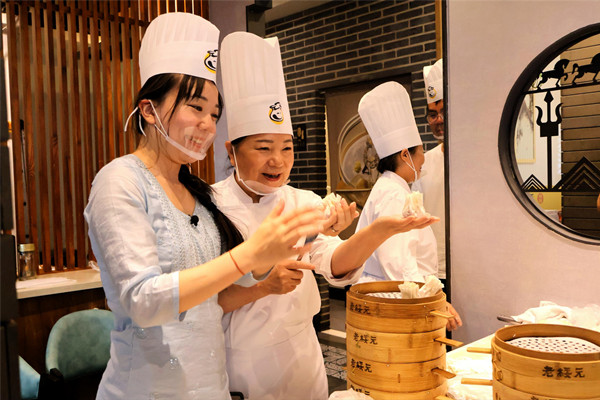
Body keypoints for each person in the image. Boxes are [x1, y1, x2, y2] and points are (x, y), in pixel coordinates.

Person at [84, 13, 323, 399]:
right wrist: (249, 254)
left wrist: (271, 256)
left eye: (214, 114)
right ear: (148, 109)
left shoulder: (196, 192)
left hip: (211, 385)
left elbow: (217, 294)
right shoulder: (120, 180)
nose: (209, 125)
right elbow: (143, 301)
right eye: (196, 108)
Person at [212, 32, 439, 400]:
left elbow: (334, 263)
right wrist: (263, 287)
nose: (278, 161)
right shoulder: (210, 206)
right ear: (232, 150)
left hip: (303, 356)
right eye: (264, 148)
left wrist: (379, 230)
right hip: (241, 366)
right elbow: (206, 300)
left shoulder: (303, 200)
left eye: (287, 148)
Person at [355, 81, 462, 330]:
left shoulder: (394, 187)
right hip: (394, 304)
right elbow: (397, 261)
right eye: (420, 151)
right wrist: (432, 301)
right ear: (405, 155)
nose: (424, 159)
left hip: (397, 301)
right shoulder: (393, 194)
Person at [414, 58, 447, 284]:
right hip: (434, 272)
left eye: (444, 111)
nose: (439, 120)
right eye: (433, 114)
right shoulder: (423, 163)